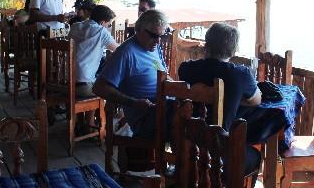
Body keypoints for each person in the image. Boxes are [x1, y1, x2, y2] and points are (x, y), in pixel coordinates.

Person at [177, 22, 263, 177]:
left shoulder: (185, 69)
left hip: (186, 145)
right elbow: (256, 100)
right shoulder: (239, 74)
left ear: (207, 43)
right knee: (256, 155)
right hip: (219, 153)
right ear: (234, 49)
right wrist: (234, 98)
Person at [93, 9, 168, 138]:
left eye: (161, 36)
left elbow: (164, 76)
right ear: (138, 29)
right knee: (187, 124)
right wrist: (134, 103)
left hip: (164, 108)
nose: (158, 41)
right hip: (147, 117)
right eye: (153, 35)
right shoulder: (125, 53)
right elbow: (99, 88)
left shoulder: (155, 49)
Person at [69, 5, 119, 98]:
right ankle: (107, 112)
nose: (109, 27)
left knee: (97, 80)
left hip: (66, 82)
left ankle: (83, 111)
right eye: (109, 24)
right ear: (102, 22)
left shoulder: (75, 26)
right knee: (114, 90)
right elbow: (119, 50)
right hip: (83, 86)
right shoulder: (101, 31)